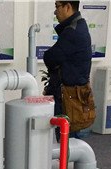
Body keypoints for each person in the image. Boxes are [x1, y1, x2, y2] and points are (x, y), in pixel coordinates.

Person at [43, 1, 92, 137]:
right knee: (68, 137)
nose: (55, 12)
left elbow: (50, 57)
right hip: (71, 95)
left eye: (57, 6)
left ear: (68, 7)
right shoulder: (78, 26)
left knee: (64, 139)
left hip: (67, 98)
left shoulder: (72, 32)